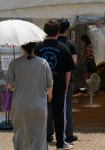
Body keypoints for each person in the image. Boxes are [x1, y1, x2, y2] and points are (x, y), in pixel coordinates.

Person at [35, 19, 75, 150]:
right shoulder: (63, 47)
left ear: (45, 31)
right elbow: (68, 70)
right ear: (58, 32)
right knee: (59, 114)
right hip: (58, 85)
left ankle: (41, 144)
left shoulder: (38, 47)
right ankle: (60, 144)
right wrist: (66, 85)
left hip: (41, 86)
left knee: (41, 114)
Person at [6, 42, 53, 150]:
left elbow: (10, 86)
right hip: (39, 105)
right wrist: (49, 94)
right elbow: (49, 84)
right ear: (34, 47)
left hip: (20, 105)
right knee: (39, 135)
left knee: (21, 135)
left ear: (21, 47)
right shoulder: (43, 62)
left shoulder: (14, 63)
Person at [55, 18, 78, 142]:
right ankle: (68, 134)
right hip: (67, 80)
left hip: (51, 79)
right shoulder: (70, 44)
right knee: (67, 105)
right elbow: (73, 62)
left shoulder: (50, 43)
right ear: (67, 30)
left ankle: (48, 133)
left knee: (49, 106)